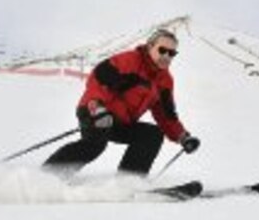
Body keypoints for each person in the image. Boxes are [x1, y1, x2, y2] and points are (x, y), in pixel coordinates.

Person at [43, 29, 200, 177]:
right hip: (95, 111)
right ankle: (49, 175)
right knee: (95, 145)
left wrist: (182, 137)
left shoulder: (164, 81)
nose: (166, 56)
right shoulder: (130, 61)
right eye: (162, 50)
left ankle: (128, 182)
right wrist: (98, 109)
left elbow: (166, 114)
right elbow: (99, 79)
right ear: (150, 46)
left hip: (121, 123)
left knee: (151, 135)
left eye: (172, 53)